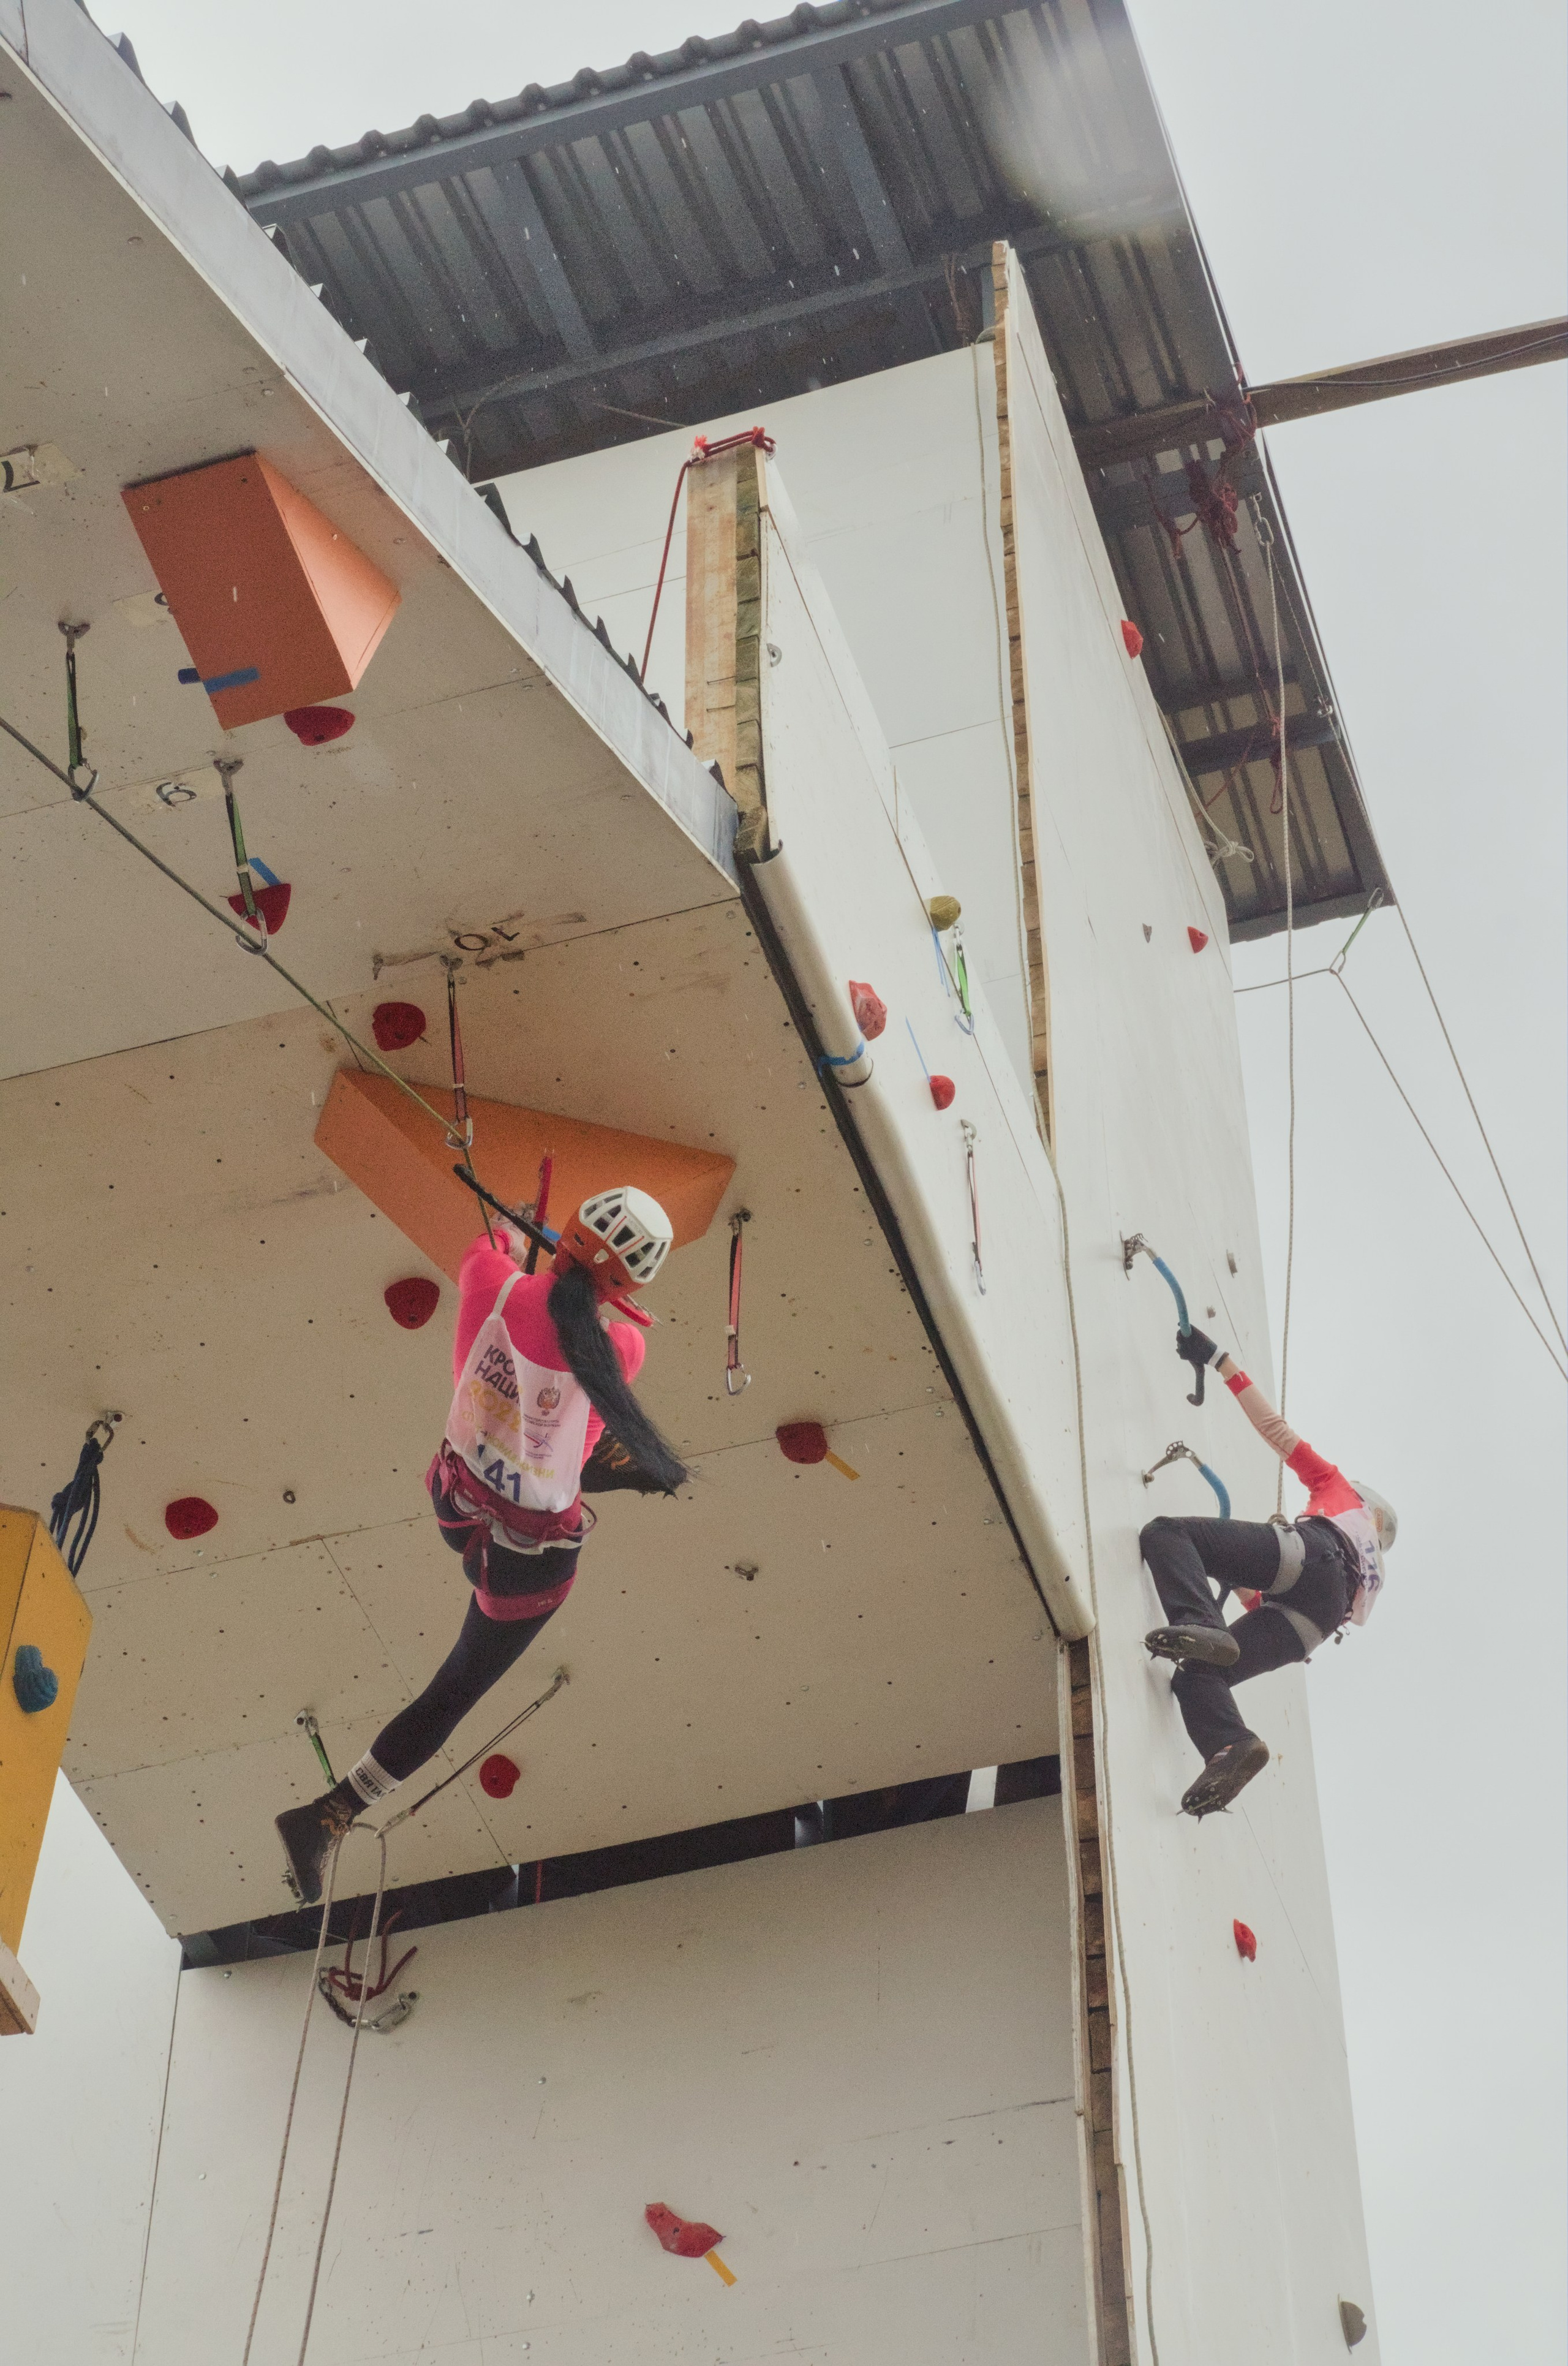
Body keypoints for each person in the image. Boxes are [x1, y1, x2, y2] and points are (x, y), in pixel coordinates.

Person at [275, 1185, 688, 1903]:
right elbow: (580, 1440)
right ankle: (326, 1815)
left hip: (457, 1506)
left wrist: (514, 1235)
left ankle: (331, 1816)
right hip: (524, 1557)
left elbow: (492, 1246)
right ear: (631, 1286)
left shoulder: (492, 1282)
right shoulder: (624, 1345)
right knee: (453, 1689)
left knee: (453, 1692)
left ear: (565, 1236)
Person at [1139, 1325, 1397, 1819]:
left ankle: (1202, 1626)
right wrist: (1235, 1580)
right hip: (1312, 1627)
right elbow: (1265, 1608)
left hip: (1314, 1555)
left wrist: (1218, 1359)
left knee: (1168, 1534)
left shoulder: (1341, 1493)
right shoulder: (1371, 1576)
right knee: (1197, 1675)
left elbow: (1277, 1432)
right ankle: (1232, 1745)